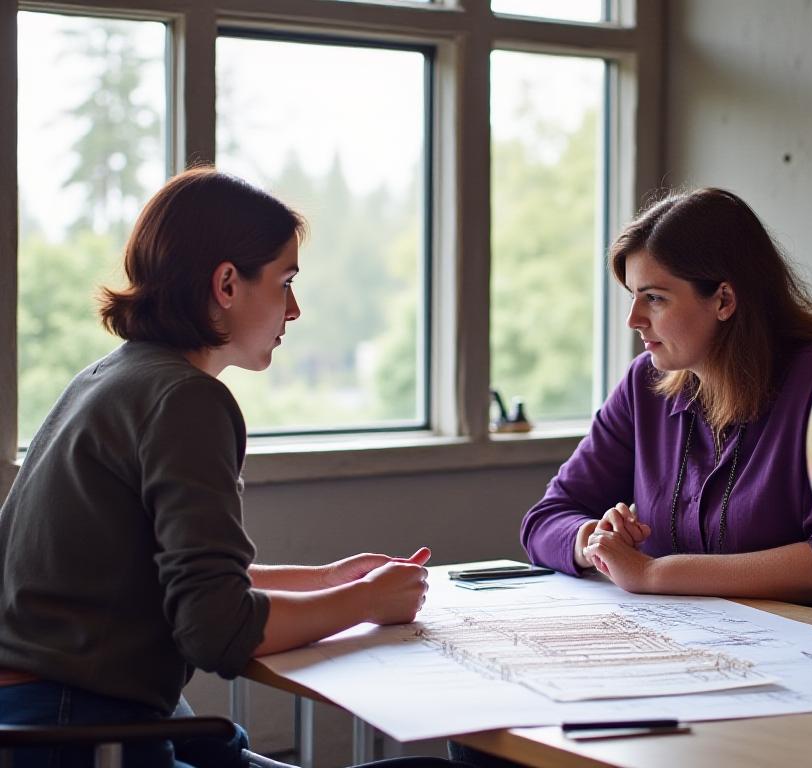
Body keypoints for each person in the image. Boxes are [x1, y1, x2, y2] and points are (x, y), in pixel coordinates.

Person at [0, 168, 465, 768]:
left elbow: (176, 582)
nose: (294, 310)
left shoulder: (109, 378)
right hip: (82, 735)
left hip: (42, 722)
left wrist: (328, 581)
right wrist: (367, 604)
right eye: (285, 282)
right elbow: (216, 630)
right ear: (226, 283)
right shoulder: (186, 400)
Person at [521, 187, 812, 620]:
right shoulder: (644, 384)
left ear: (724, 300)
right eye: (633, 296)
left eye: (655, 298)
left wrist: (656, 575)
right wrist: (596, 541)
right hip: (689, 648)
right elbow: (545, 520)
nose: (633, 319)